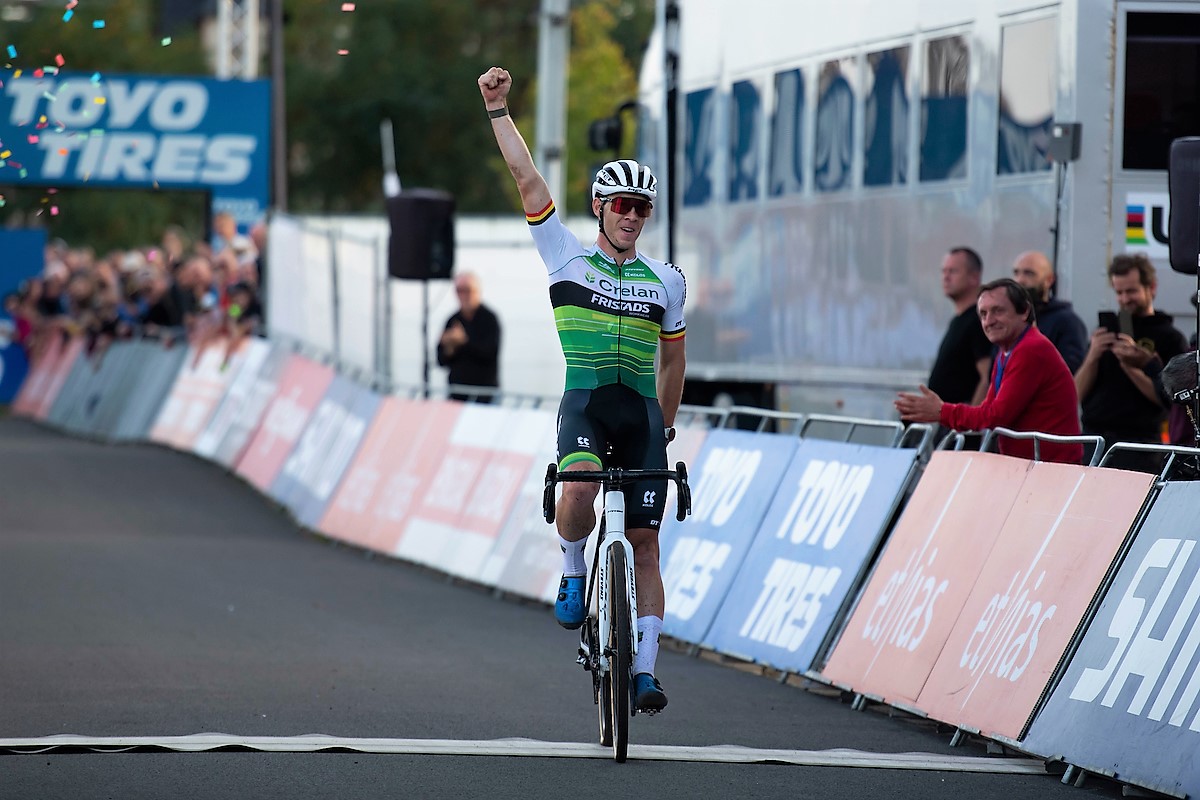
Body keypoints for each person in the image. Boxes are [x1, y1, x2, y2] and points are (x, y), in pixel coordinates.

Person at [479, 65, 686, 712]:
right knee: (580, 485)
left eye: (641, 208)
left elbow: (674, 364)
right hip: (587, 403)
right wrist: (497, 110)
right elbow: (527, 178)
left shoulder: (668, 280)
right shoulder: (563, 253)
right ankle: (573, 570)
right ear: (600, 207)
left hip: (643, 413)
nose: (630, 216)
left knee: (647, 543)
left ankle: (646, 671)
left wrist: (668, 424)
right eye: (620, 205)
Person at [895, 278, 1083, 464]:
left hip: (1050, 471)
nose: (989, 321)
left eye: (998, 311)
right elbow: (988, 412)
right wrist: (942, 412)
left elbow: (995, 416)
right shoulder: (1007, 352)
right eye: (983, 314)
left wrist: (942, 412)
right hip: (1033, 468)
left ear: (1024, 311)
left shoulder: (1030, 350)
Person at [1075, 253, 1189, 471]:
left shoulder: (1169, 337)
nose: (1125, 299)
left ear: (1151, 288)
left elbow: (1168, 400)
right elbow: (1074, 395)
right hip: (1094, 440)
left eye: (1131, 291)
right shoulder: (1106, 333)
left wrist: (1132, 367)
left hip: (1140, 444)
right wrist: (1093, 356)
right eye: (1119, 292)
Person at [928, 247, 992, 407]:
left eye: (953, 271)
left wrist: (971, 427)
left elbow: (987, 376)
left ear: (974, 277)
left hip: (957, 426)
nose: (946, 277)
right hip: (943, 420)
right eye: (944, 271)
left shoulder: (979, 320)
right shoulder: (959, 320)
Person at [1011, 250, 1088, 373]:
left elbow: (1069, 372)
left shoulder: (1067, 322)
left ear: (1049, 280)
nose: (1020, 280)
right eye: (1016, 273)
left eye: (1029, 274)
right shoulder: (1012, 319)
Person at [436, 272, 502, 403]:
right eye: (459, 291)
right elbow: (441, 360)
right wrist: (449, 346)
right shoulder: (452, 320)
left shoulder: (489, 319)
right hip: (457, 396)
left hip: (484, 396)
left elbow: (490, 352)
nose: (463, 295)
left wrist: (464, 341)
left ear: (477, 291)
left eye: (467, 290)